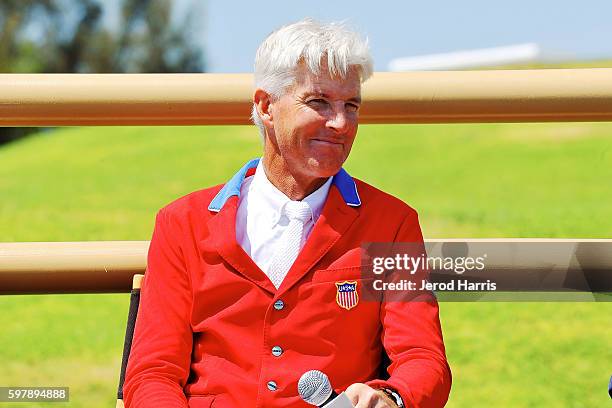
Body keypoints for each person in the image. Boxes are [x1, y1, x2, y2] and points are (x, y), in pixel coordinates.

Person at [124, 18, 452, 408]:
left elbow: (423, 358)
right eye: (319, 102)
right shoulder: (183, 223)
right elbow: (153, 372)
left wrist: (391, 398)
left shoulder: (392, 223)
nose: (341, 123)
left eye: (351, 105)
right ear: (266, 106)